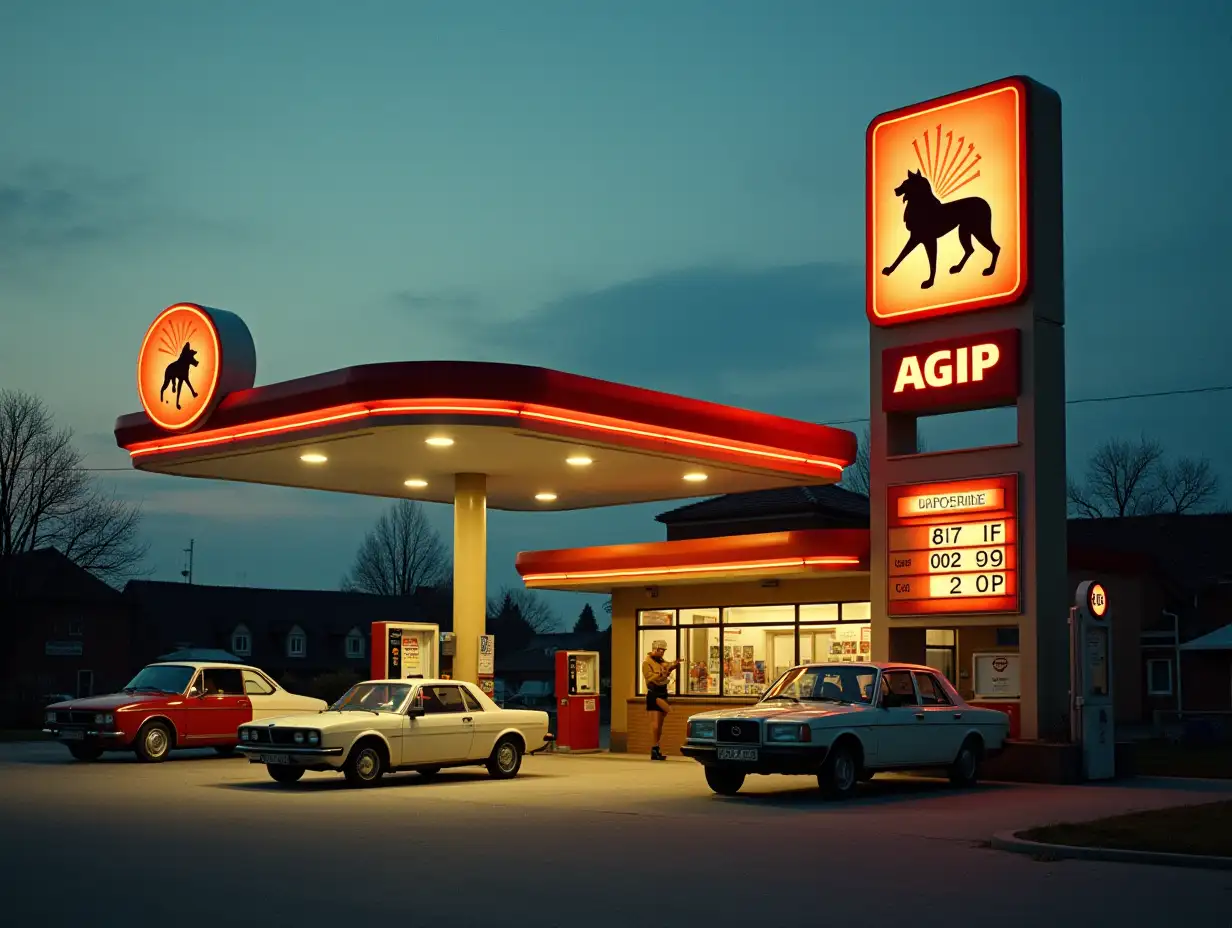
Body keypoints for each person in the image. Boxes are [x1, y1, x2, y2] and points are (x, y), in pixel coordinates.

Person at [642, 640, 681, 761]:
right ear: (655, 649)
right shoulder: (646, 662)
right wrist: (660, 673)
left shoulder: (661, 661)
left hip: (663, 692)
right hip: (654, 693)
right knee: (657, 722)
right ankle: (654, 748)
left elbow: (667, 668)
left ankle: (656, 748)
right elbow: (649, 678)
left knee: (659, 725)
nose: (663, 653)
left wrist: (673, 666)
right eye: (661, 650)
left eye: (664, 651)